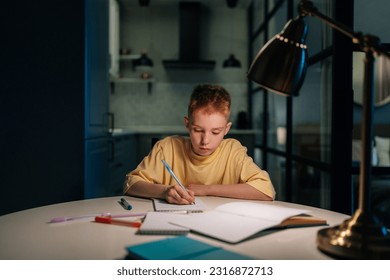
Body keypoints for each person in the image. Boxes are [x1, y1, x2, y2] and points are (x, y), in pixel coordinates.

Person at [124, 84, 275, 204]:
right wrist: (164, 191)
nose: (205, 141)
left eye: (215, 132)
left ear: (226, 129)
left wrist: (207, 190)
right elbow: (131, 184)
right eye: (197, 130)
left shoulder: (233, 151)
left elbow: (267, 190)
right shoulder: (166, 148)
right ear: (187, 124)